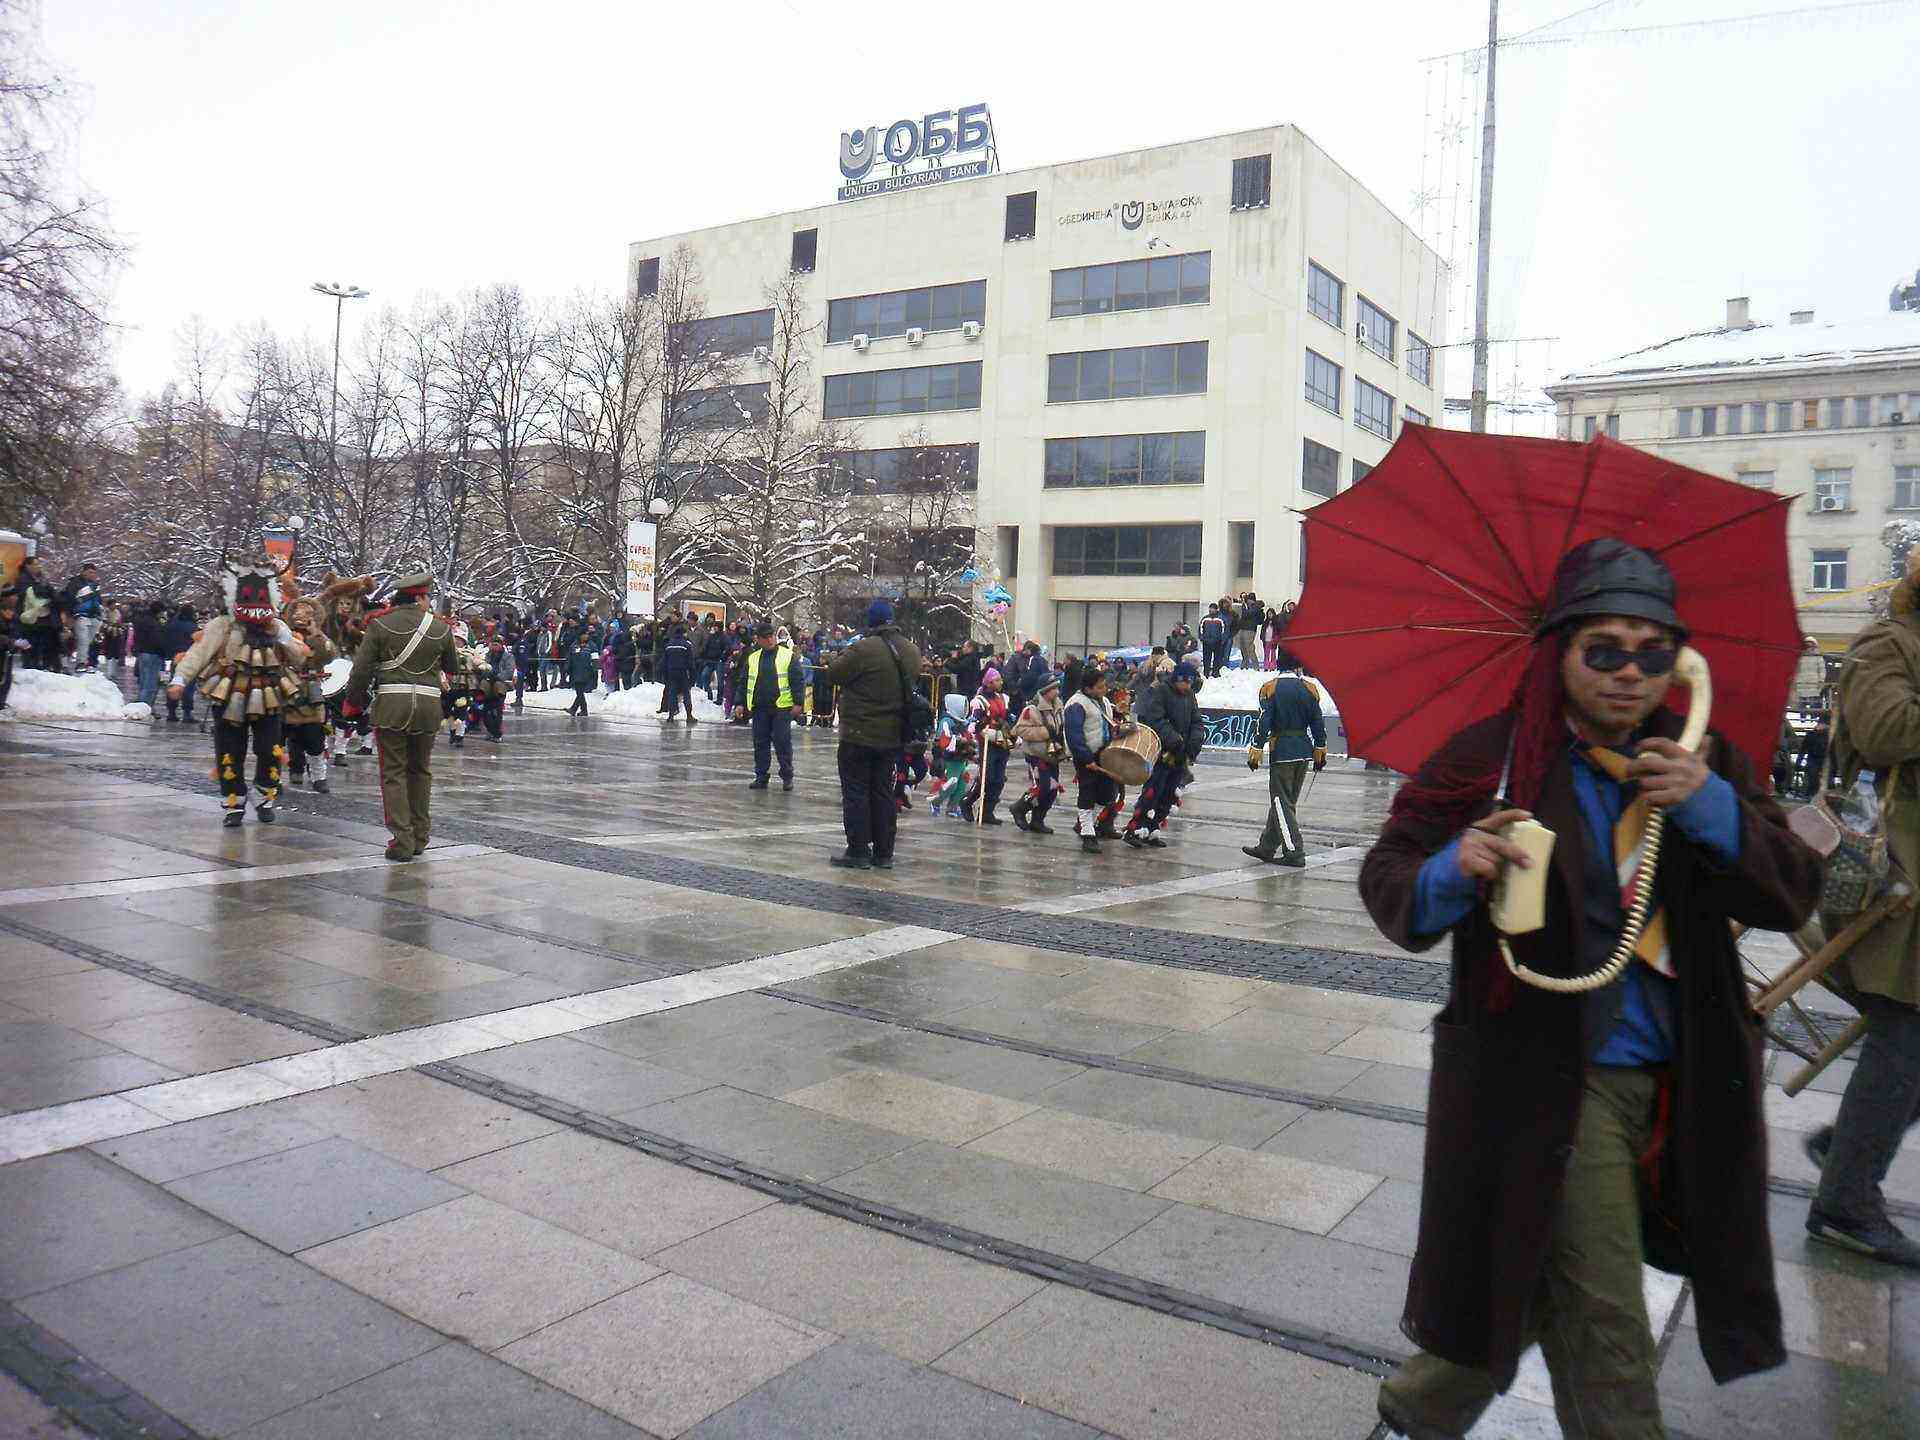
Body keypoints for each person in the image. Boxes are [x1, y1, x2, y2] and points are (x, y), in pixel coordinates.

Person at [1361, 538, 1820, 1440]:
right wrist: (1456, 866)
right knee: (1608, 1317)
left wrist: (1710, 805)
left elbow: (1793, 892)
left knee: (1539, 1264)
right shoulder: (1493, 759)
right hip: (1547, 1080)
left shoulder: (1703, 761)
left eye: (1655, 653)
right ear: (1558, 653)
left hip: (1687, 1078)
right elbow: (1392, 881)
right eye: (1603, 651)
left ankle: (1422, 1404)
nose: (1630, 675)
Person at [1800, 545, 1920, 1267]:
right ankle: (1845, 1202)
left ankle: (1846, 1148)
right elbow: (1883, 732)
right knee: (1906, 1030)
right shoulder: (1888, 643)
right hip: (1890, 880)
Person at [169, 553, 310, 828]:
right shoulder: (222, 625)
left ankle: (264, 796)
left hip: (269, 694)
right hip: (228, 692)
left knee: (270, 749)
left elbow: (299, 657)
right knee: (230, 750)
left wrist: (284, 638)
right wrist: (179, 680)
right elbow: (199, 653)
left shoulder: (277, 626)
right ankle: (234, 802)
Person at [342, 560, 460, 862]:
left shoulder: (380, 624)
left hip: (392, 707)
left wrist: (353, 702)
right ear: (419, 597)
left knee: (393, 773)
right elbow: (452, 666)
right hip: (428, 708)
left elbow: (361, 671)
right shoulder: (439, 627)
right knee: (420, 770)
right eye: (427, 597)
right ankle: (420, 836)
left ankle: (402, 840)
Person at [826, 599, 922, 870]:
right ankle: (884, 852)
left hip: (859, 733)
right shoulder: (911, 650)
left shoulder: (863, 649)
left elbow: (833, 674)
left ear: (871, 622)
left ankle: (858, 850)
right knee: (883, 792)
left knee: (856, 791)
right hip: (892, 734)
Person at [1242, 660, 1327, 867]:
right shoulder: (1309, 688)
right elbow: (1318, 722)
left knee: (1281, 803)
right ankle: (1267, 846)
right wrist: (1320, 749)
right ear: (1297, 667)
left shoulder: (1271, 688)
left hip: (1282, 751)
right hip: (1304, 751)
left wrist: (1256, 748)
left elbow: (1264, 721)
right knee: (1285, 802)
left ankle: (1294, 851)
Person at [1122, 659, 1205, 848]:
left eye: (1190, 682)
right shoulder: (1161, 691)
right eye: (1185, 681)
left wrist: (1195, 741)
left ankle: (1153, 829)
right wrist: (1174, 739)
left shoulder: (1189, 696)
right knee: (1153, 790)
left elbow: (1196, 721)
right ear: (1177, 679)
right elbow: (1156, 719)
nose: (1187, 686)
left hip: (1181, 754)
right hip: (1163, 752)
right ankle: (1135, 828)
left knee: (1169, 793)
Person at [1065, 668, 1126, 854]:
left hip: (1105, 754)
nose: (1104, 689)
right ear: (1088, 688)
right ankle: (1087, 833)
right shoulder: (1076, 704)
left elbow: (1104, 722)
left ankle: (1094, 823)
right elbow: (1074, 736)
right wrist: (1086, 758)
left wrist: (1118, 715)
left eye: (1104, 686)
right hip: (1087, 756)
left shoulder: (1104, 701)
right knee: (1087, 793)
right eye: (1100, 687)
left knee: (1108, 793)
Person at [741, 619, 806, 791]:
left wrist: (798, 703)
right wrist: (740, 703)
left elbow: (798, 681)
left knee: (782, 743)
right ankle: (761, 776)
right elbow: (744, 682)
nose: (770, 640)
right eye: (766, 637)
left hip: (781, 708)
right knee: (760, 744)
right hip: (760, 708)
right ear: (758, 639)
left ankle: (787, 776)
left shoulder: (787, 656)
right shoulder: (753, 658)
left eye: (771, 636)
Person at [281, 598, 337, 793]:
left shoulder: (319, 637)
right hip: (285, 691)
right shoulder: (283, 634)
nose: (300, 615)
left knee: (314, 739)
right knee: (280, 738)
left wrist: (316, 633)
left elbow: (329, 655)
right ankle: (276, 775)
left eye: (306, 612)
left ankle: (319, 776)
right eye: (297, 611)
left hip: (311, 695)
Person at [1010, 672, 1066, 835]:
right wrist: (1045, 732)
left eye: (1057, 688)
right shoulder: (1032, 709)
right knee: (1042, 786)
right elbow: (1020, 729)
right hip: (1036, 755)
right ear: (1045, 690)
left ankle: (1038, 820)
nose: (1057, 691)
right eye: (1053, 688)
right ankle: (1020, 807)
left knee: (1052, 790)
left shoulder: (1058, 707)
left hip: (1053, 755)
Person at [963, 667, 1016, 824]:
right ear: (989, 683)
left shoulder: (1003, 698)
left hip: (1002, 741)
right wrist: (981, 728)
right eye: (997, 680)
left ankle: (987, 811)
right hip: (987, 742)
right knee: (987, 777)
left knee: (999, 780)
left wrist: (1012, 729)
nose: (1001, 682)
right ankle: (967, 801)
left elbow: (1009, 716)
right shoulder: (979, 701)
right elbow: (973, 722)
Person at [10, 555, 60, 671]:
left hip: (43, 616)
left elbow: (51, 593)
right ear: (27, 566)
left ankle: (40, 665)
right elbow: (28, 594)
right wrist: (44, 593)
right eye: (35, 564)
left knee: (42, 641)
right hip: (29, 615)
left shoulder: (41, 578)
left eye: (39, 564)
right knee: (30, 641)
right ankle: (30, 665)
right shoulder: (23, 579)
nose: (39, 567)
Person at [60, 562, 104, 671]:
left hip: (94, 616)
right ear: (83, 572)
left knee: (88, 640)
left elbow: (98, 600)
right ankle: (81, 662)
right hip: (80, 615)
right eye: (90, 572)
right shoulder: (75, 583)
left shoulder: (95, 585)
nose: (92, 575)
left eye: (94, 573)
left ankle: (83, 660)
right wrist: (69, 614)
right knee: (83, 639)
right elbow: (69, 599)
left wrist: (100, 612)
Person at [161, 604, 199, 723]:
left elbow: (165, 639)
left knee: (174, 683)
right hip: (188, 658)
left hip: (173, 657)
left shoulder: (171, 624)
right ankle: (187, 713)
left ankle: (171, 711)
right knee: (188, 686)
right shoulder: (192, 626)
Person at [132, 600, 171, 710]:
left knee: (143, 682)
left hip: (142, 652)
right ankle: (144, 707)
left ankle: (139, 705)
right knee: (150, 684)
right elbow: (157, 640)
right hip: (153, 654)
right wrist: (164, 650)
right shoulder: (154, 623)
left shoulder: (141, 619)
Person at [474, 634, 513, 741]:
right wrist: (484, 674)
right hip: (487, 685)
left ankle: (496, 733)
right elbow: (482, 667)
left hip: (500, 685)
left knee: (497, 711)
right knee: (484, 710)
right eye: (493, 644)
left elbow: (509, 671)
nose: (494, 646)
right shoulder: (487, 656)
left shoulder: (508, 657)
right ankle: (490, 731)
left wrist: (498, 677)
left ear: (501, 645)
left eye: (496, 644)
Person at [660, 623, 696, 723]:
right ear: (683, 633)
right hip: (683, 672)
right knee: (686, 694)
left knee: (672, 693)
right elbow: (690, 662)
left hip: (671, 672)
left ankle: (671, 716)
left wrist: (665, 675)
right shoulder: (686, 645)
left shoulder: (669, 645)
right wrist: (692, 678)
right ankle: (689, 716)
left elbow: (664, 662)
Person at [564, 635, 597, 717]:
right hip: (575, 671)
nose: (585, 636)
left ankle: (578, 709)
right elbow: (569, 657)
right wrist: (567, 669)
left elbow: (595, 660)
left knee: (580, 692)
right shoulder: (574, 645)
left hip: (586, 671)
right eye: (583, 634)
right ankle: (579, 710)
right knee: (579, 692)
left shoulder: (592, 646)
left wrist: (594, 670)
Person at [1234, 591, 1262, 670]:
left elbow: (1247, 614)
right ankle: (1244, 664)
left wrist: (1245, 607)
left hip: (1250, 629)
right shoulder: (1246, 605)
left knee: (1249, 648)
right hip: (1243, 628)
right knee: (1243, 647)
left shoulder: (1255, 607)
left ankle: (1255, 666)